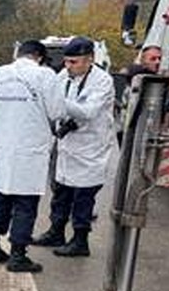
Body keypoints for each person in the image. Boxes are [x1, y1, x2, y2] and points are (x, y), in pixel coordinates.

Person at [0, 40, 66, 273]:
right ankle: (17, 256)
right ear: (40, 57)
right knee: (25, 205)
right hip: (29, 151)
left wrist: (3, 114)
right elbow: (58, 112)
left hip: (2, 150)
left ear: (19, 54)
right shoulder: (45, 75)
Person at [32, 37, 116, 257]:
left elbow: (87, 112)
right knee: (61, 193)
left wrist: (57, 101)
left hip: (90, 148)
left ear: (90, 60)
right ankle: (56, 232)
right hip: (67, 146)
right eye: (66, 62)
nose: (68, 66)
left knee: (83, 197)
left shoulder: (102, 81)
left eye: (73, 62)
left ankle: (80, 241)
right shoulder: (64, 76)